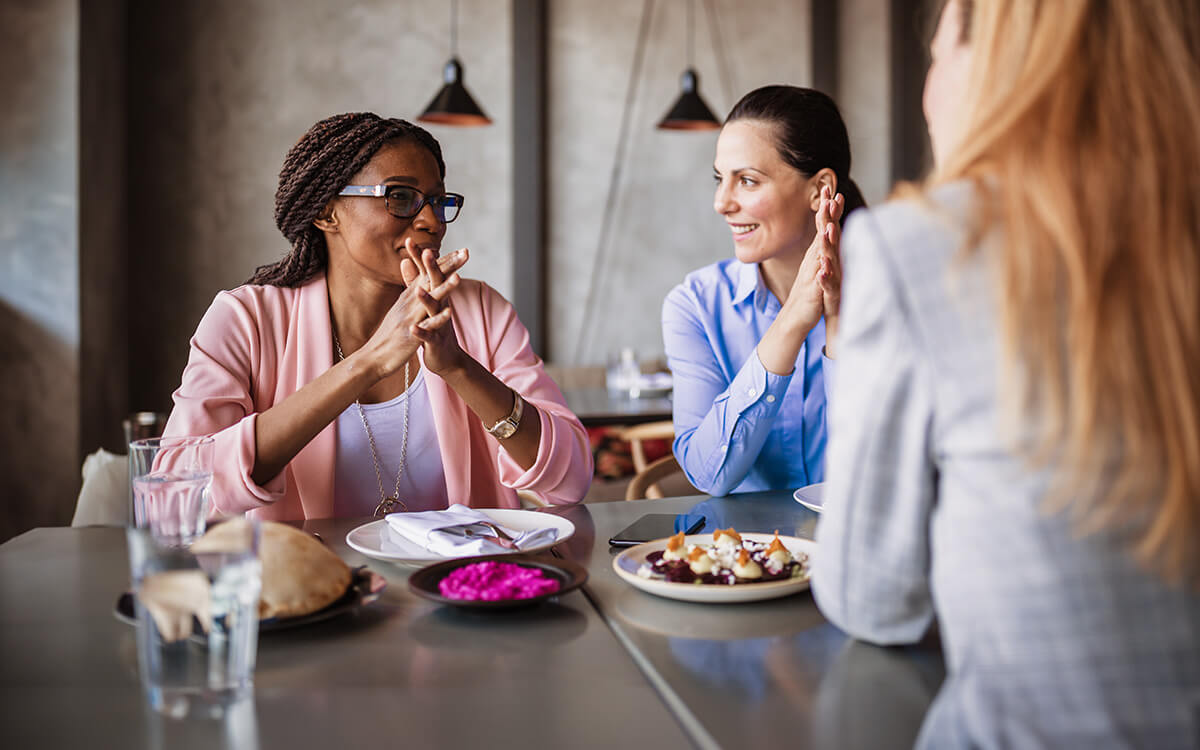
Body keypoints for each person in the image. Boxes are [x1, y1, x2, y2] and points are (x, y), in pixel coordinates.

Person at [812, 0, 1200, 746]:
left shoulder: (919, 248)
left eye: (937, 50)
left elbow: (872, 597)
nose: (929, 84)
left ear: (993, 65)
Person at [164, 113, 592, 520]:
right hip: (311, 593)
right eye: (400, 196)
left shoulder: (480, 311)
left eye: (437, 201)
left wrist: (460, 367)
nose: (431, 222)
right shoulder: (246, 319)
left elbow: (570, 482)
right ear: (325, 211)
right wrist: (367, 363)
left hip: (460, 588)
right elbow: (172, 494)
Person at [662, 86, 865, 496]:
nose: (722, 202)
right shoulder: (695, 305)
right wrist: (792, 321)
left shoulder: (892, 294)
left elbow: (876, 475)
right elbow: (708, 476)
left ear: (820, 189)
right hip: (751, 556)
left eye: (748, 181)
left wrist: (839, 316)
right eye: (721, 180)